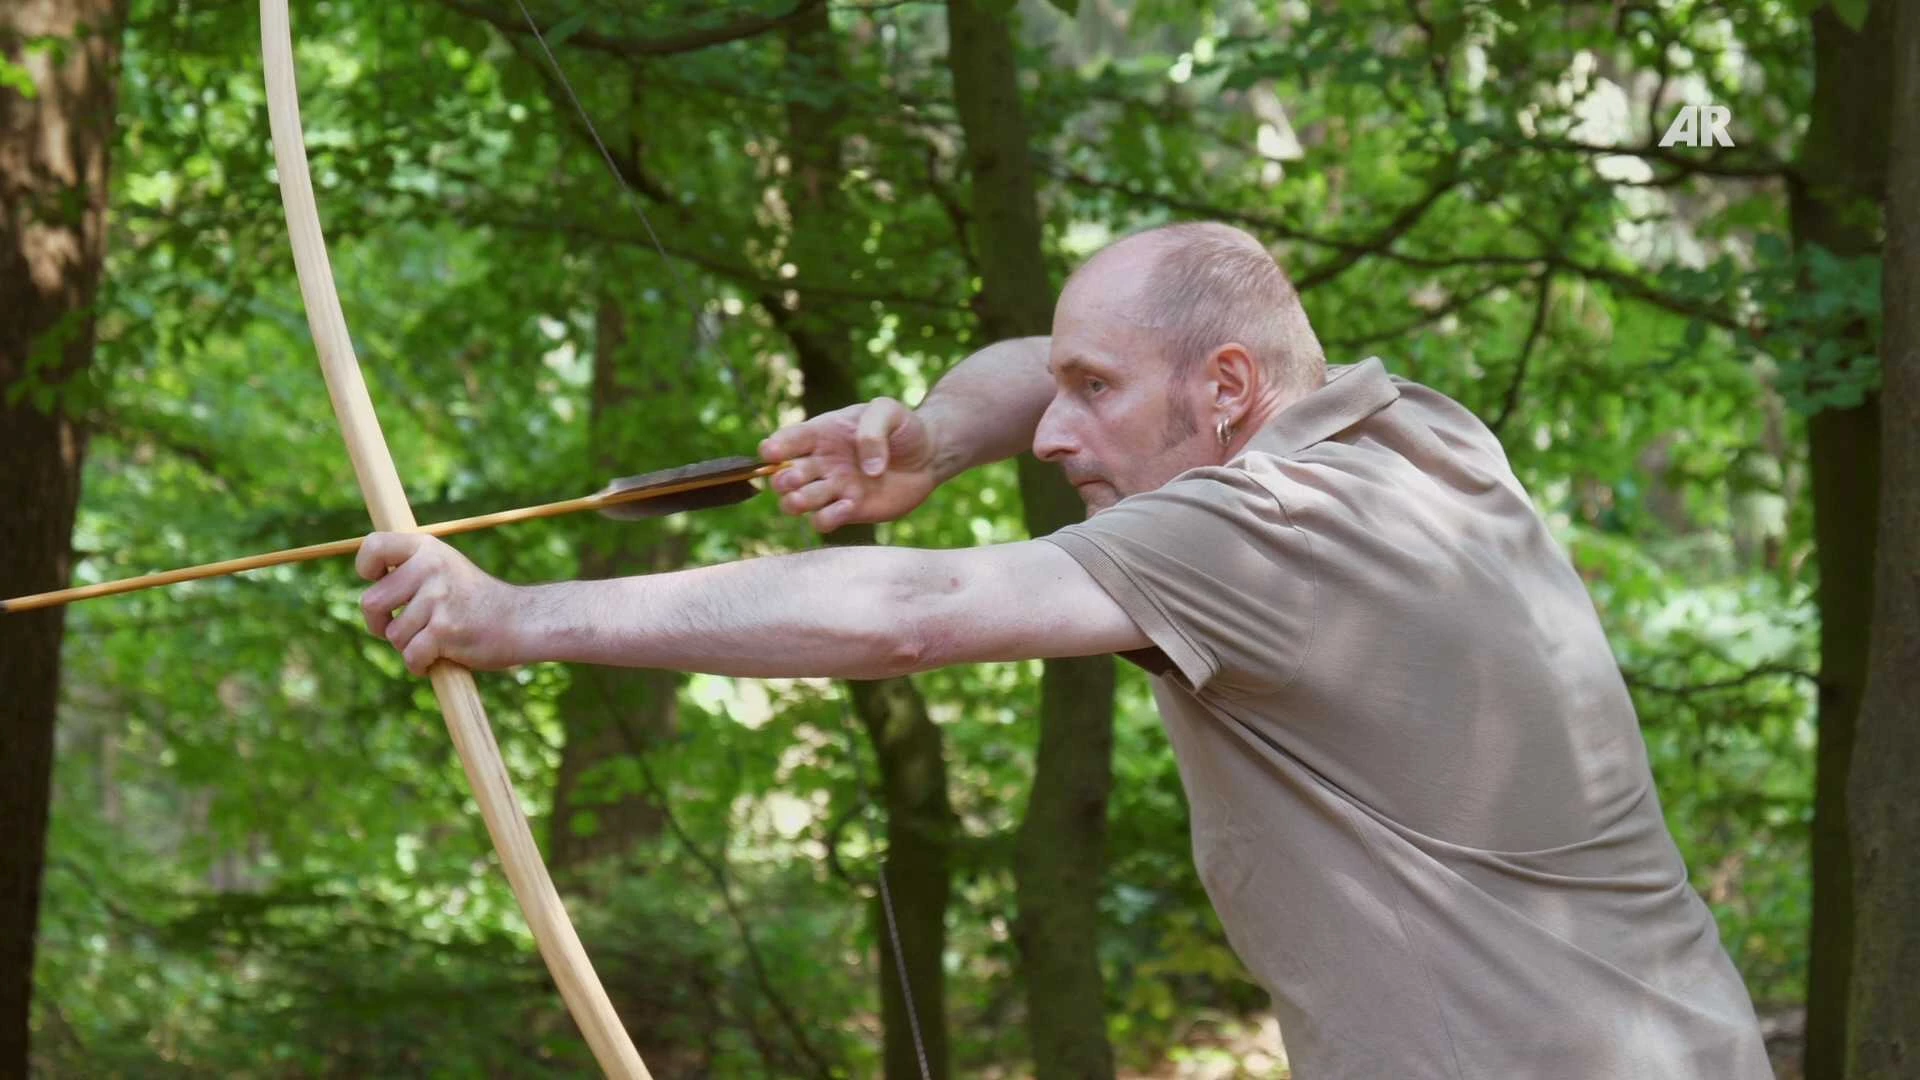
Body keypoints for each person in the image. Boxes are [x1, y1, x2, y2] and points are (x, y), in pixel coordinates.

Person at [355, 222, 1772, 1077]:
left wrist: (517, 619)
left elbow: (912, 617)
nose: (1053, 429)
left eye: (1097, 395)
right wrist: (926, 436)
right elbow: (1043, 356)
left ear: (1225, 392)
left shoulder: (1258, 529)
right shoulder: (1412, 431)